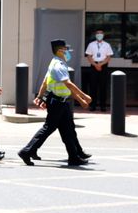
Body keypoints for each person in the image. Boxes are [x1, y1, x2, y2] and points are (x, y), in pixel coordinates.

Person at [18, 39, 92, 167]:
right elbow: (68, 84)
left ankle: (74, 157)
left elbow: (45, 82)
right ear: (59, 51)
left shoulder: (55, 63)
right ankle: (26, 151)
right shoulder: (58, 66)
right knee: (48, 128)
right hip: (57, 103)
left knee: (68, 130)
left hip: (61, 102)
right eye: (65, 50)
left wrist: (40, 97)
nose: (67, 52)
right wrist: (84, 96)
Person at [85, 29, 113, 112]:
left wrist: (100, 64)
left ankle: (103, 106)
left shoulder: (107, 45)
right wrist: (95, 65)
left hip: (103, 66)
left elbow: (108, 57)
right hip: (93, 66)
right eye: (98, 33)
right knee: (93, 86)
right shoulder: (91, 44)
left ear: (103, 35)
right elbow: (89, 56)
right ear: (95, 35)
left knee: (103, 87)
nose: (99, 35)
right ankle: (92, 105)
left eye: (101, 33)